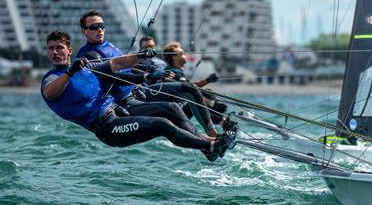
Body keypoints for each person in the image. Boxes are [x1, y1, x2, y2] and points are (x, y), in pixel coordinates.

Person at [41, 30, 235, 161]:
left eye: (59, 48)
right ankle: (212, 146)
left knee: (171, 108)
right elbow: (51, 94)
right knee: (161, 124)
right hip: (106, 127)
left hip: (120, 111)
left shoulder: (86, 67)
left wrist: (142, 55)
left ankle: (209, 144)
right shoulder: (51, 79)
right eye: (51, 48)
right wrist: (69, 72)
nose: (55, 52)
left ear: (69, 50)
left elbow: (118, 64)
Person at [75, 11, 207, 133]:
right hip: (125, 101)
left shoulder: (108, 45)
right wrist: (146, 76)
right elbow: (115, 77)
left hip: (139, 91)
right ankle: (207, 143)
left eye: (102, 25)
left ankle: (212, 134)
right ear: (84, 31)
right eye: (94, 27)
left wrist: (152, 72)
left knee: (190, 89)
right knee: (172, 108)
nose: (99, 29)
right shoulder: (88, 54)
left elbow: (125, 68)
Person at [137, 37, 231, 134]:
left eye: (152, 46)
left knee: (206, 91)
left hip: (177, 106)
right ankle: (220, 126)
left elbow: (191, 86)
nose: (150, 49)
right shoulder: (171, 71)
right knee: (200, 98)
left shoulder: (169, 68)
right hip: (168, 111)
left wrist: (208, 80)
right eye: (146, 47)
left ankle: (222, 122)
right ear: (173, 57)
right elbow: (189, 90)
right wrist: (212, 104)